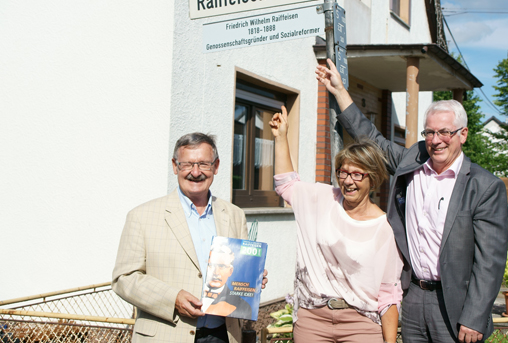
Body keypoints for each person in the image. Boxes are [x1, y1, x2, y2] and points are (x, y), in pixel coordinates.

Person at [316, 59, 508, 343]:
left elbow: (489, 261)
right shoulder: (412, 161)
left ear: (463, 135)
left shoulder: (484, 186)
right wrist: (341, 91)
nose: (436, 140)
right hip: (414, 296)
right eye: (429, 132)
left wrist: (475, 315)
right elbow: (372, 140)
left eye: (445, 132)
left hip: (455, 303)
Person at [112, 133, 266, 343]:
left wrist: (251, 277)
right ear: (175, 166)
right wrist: (172, 298)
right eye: (187, 165)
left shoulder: (234, 214)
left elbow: (236, 275)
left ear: (216, 166)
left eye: (203, 164)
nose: (196, 172)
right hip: (167, 334)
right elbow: (124, 278)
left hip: (224, 335)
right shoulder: (141, 216)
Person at [269, 106, 403, 343]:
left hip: (361, 323)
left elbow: (388, 294)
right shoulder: (322, 199)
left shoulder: (385, 228)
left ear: (372, 179)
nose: (348, 181)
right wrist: (281, 137)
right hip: (313, 319)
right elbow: (286, 184)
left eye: (357, 174)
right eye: (343, 172)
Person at [203, 244, 252, 319]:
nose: (216, 272)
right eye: (211, 265)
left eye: (221, 266)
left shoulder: (242, 305)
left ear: (230, 271)